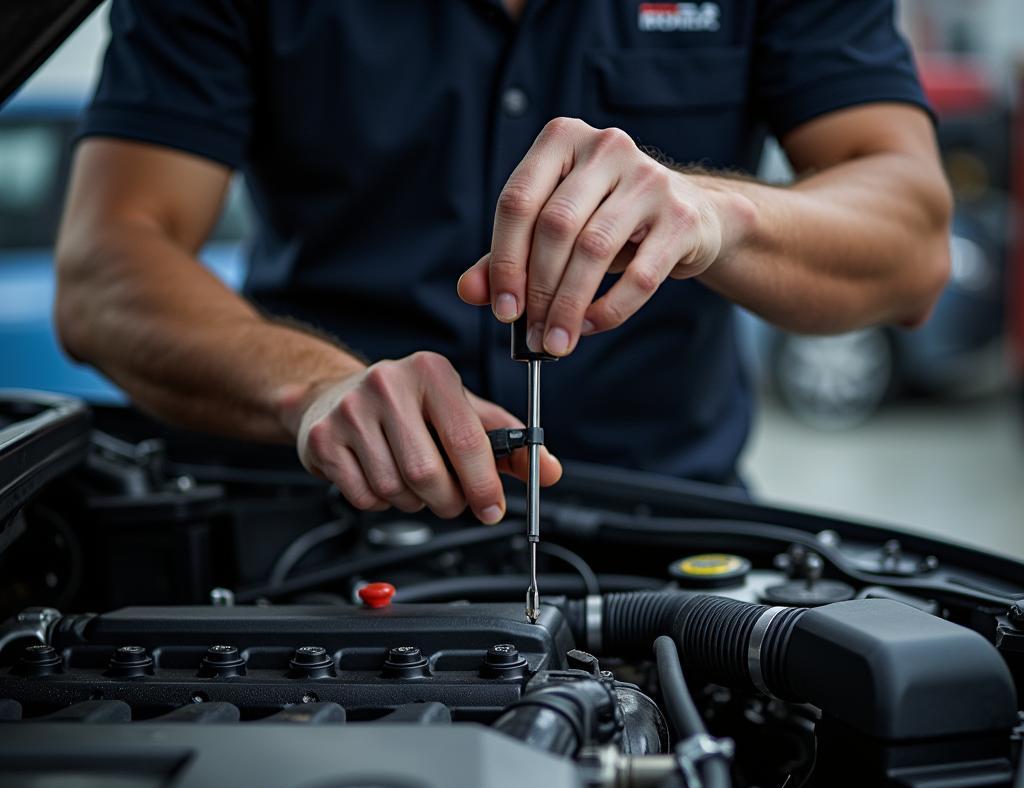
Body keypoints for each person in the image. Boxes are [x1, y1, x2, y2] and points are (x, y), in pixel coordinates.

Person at [55, 0, 951, 524]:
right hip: (315, 540)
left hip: (668, 541)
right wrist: (310, 388)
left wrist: (719, 214)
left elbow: (912, 243)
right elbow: (106, 264)